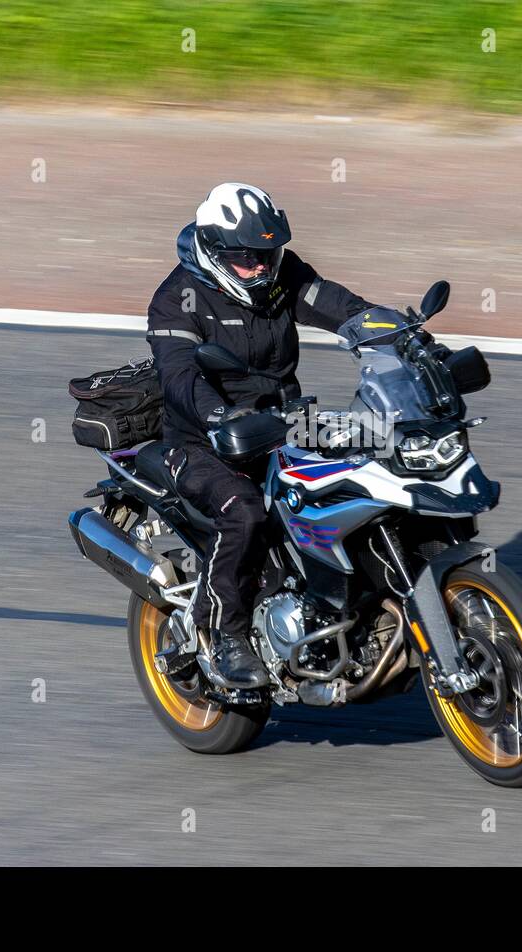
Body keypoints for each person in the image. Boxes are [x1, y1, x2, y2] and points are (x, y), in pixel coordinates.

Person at [145, 182, 375, 689]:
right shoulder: (175, 300)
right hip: (201, 442)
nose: (263, 268)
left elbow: (340, 306)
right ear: (215, 250)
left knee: (370, 469)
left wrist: (402, 336)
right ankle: (226, 636)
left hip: (284, 423)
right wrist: (218, 417)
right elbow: (179, 376)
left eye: (269, 255)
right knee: (246, 513)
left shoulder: (279, 274)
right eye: (249, 259)